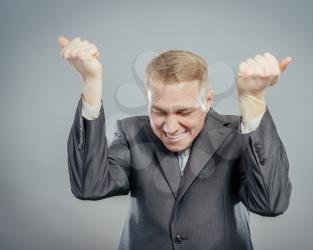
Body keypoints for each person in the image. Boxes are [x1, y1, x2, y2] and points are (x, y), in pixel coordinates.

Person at [58, 36, 292, 250]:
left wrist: (253, 103)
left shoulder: (238, 136)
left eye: (183, 112)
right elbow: (89, 186)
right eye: (159, 111)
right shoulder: (131, 132)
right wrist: (91, 83)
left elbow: (270, 203)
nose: (170, 127)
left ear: (207, 100)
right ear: (147, 99)